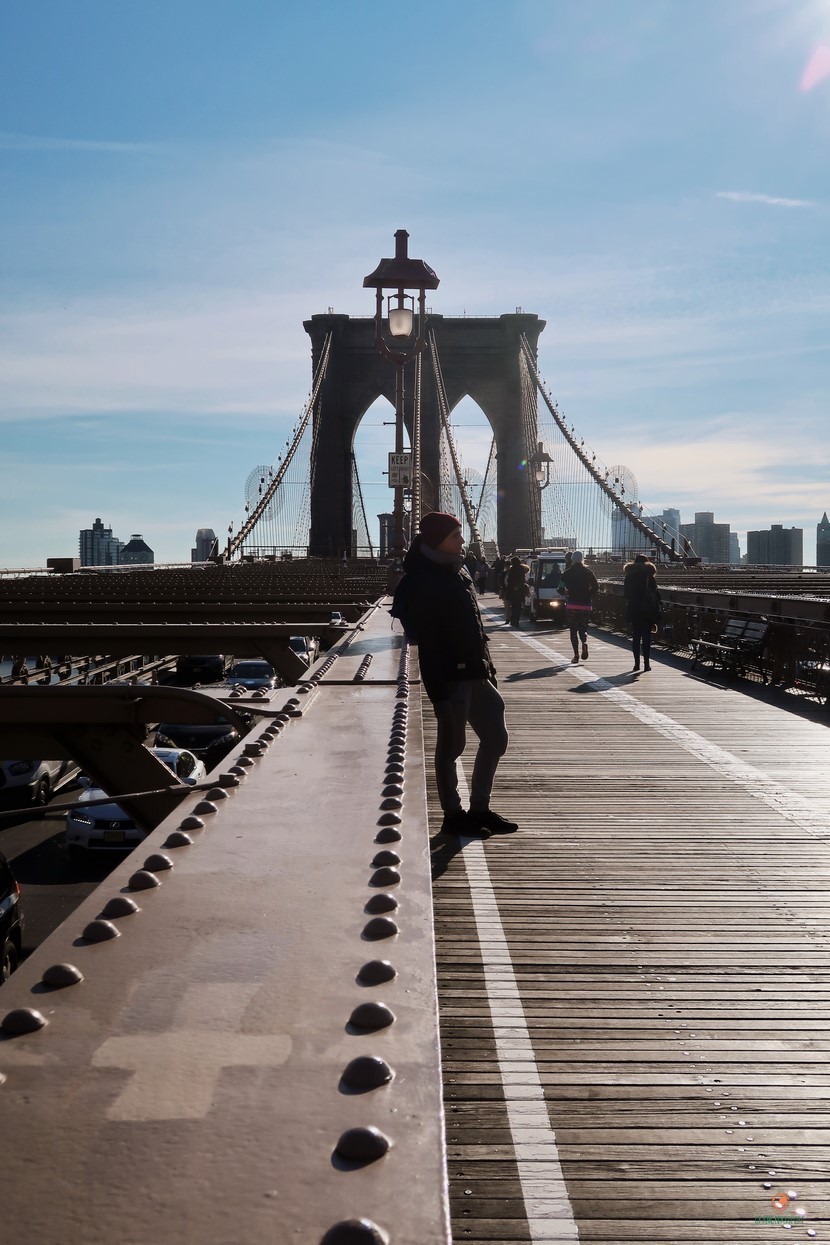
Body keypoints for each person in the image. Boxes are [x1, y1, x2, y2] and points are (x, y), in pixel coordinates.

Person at [391, 511, 517, 838]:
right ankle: (453, 815)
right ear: (437, 541)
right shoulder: (422, 579)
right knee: (451, 746)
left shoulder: (457, 570)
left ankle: (480, 809)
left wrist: (487, 665)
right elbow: (427, 641)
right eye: (455, 535)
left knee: (496, 736)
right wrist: (440, 691)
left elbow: (473, 625)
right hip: (450, 676)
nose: (462, 540)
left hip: (476, 670)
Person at [624, 553, 661, 672]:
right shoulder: (650, 576)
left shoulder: (629, 576)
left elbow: (626, 594)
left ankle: (636, 664)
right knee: (646, 638)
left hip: (635, 610)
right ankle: (646, 664)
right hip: (647, 611)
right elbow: (656, 594)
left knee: (636, 638)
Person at [560, 550, 598, 662]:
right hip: (585, 605)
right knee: (583, 627)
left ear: (572, 560)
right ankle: (584, 642)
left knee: (573, 630)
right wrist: (588, 594)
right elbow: (596, 587)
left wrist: (566, 592)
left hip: (572, 604)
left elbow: (560, 588)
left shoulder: (566, 573)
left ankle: (576, 655)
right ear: (582, 559)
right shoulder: (588, 572)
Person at [503, 555, 529, 627]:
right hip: (519, 591)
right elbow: (522, 580)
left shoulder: (511, 570)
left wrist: (513, 586)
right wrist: (517, 586)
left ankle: (513, 619)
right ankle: (516, 620)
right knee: (518, 606)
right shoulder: (521, 570)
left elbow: (508, 580)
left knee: (513, 606)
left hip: (511, 590)